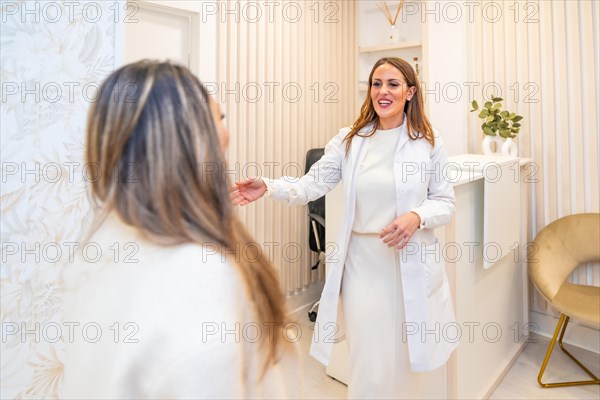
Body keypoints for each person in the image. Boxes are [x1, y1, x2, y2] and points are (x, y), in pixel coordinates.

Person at [61, 61, 298, 399]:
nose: (227, 134)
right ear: (194, 140)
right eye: (220, 118)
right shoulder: (199, 278)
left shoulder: (101, 248)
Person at [231, 57, 459, 399]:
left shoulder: (428, 141)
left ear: (410, 92)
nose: (383, 91)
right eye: (376, 83)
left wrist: (416, 217)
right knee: (368, 361)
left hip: (409, 262)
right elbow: (311, 185)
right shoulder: (351, 139)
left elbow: (445, 202)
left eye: (393, 84)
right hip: (363, 266)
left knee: (405, 362)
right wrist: (269, 185)